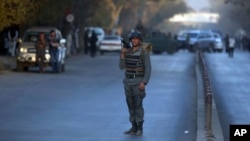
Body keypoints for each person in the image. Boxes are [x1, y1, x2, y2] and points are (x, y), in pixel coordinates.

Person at [119, 31, 151, 136]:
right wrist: (122, 54)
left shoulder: (143, 52)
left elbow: (148, 68)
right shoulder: (127, 51)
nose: (135, 40)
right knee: (130, 104)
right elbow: (121, 66)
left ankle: (140, 128)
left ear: (140, 40)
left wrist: (144, 82)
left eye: (137, 39)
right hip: (128, 81)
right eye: (133, 39)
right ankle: (133, 127)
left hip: (138, 81)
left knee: (138, 104)